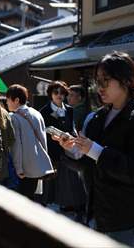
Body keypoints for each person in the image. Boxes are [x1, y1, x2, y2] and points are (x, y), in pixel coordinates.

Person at [55, 52, 134, 247]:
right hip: (104, 214)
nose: (100, 87)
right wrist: (73, 149)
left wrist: (96, 151)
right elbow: (89, 165)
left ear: (126, 80)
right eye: (98, 81)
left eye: (106, 80)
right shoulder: (97, 118)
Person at [39, 81, 85, 213]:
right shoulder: (44, 111)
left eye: (62, 92)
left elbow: (72, 129)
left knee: (70, 178)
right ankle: (46, 206)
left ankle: (69, 205)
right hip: (52, 150)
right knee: (51, 181)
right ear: (50, 94)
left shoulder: (69, 110)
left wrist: (71, 136)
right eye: (56, 92)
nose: (59, 95)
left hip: (68, 149)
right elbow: (42, 132)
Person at [7, 84, 54, 201]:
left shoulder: (13, 117)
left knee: (21, 203)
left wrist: (18, 169)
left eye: (8, 100)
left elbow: (16, 146)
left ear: (16, 100)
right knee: (31, 200)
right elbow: (43, 141)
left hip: (24, 169)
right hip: (37, 166)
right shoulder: (36, 113)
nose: (7, 103)